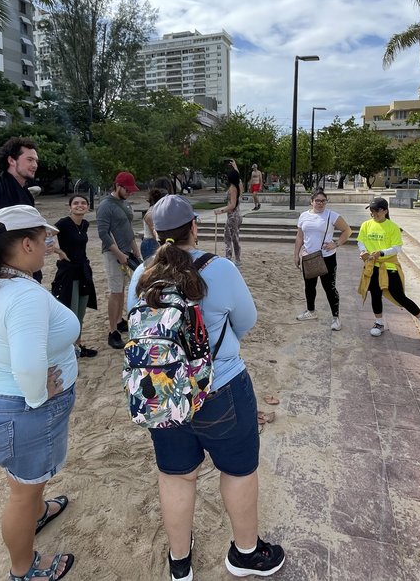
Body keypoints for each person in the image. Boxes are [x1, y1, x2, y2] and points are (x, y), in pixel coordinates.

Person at [126, 195, 285, 580]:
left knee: (176, 475)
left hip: (163, 391)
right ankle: (246, 553)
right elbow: (247, 320)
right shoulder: (220, 269)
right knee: (238, 470)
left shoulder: (141, 275)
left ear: (155, 233)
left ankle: (180, 563)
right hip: (221, 388)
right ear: (193, 227)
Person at [0, 205, 80, 581]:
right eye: (45, 240)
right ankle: (24, 570)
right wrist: (38, 394)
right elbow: (26, 366)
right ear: (27, 244)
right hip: (21, 410)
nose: (49, 245)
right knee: (22, 496)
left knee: (25, 483)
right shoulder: (24, 295)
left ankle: (37, 512)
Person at [356, 197, 420, 337]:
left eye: (376, 211)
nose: (373, 213)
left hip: (389, 266)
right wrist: (363, 251)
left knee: (399, 295)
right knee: (375, 295)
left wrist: (381, 253)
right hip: (372, 266)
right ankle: (379, 322)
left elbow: (396, 248)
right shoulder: (366, 225)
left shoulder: (392, 227)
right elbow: (360, 241)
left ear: (385, 211)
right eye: (371, 211)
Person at [0, 137, 44, 281]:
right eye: (30, 160)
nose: (35, 165)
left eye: (36, 160)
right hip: (5, 274)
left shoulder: (25, 192)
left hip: (28, 268)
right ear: (11, 160)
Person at [96, 172, 142, 349]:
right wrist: (118, 254)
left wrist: (135, 250)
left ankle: (120, 320)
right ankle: (112, 330)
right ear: (118, 186)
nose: (130, 193)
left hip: (127, 251)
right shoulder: (105, 206)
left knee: (123, 290)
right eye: (127, 189)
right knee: (115, 291)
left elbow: (128, 229)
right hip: (113, 253)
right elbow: (103, 233)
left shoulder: (124, 203)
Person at [294, 189, 350, 330]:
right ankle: (311, 311)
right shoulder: (303, 216)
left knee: (329, 288)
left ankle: (336, 317)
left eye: (323, 201)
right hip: (308, 257)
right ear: (311, 201)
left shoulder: (331, 215)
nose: (320, 203)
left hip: (327, 257)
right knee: (309, 286)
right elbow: (300, 236)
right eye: (317, 200)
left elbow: (347, 231)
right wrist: (296, 254)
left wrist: (336, 243)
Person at [51, 194, 99, 359]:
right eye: (76, 203)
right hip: (68, 273)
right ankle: (67, 351)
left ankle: (77, 347)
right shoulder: (64, 223)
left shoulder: (84, 224)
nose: (80, 205)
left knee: (80, 312)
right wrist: (59, 251)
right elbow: (47, 233)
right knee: (69, 313)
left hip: (83, 270)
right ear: (70, 206)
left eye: (83, 203)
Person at [215, 160, 243, 268]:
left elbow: (232, 205)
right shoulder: (239, 185)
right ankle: (237, 260)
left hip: (233, 216)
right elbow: (238, 177)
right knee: (235, 237)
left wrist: (220, 210)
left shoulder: (232, 188)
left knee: (228, 238)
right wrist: (235, 167)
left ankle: (229, 259)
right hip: (238, 215)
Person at [141, 187, 167, 260]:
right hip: (151, 243)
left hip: (155, 242)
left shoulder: (158, 210)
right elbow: (155, 233)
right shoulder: (151, 214)